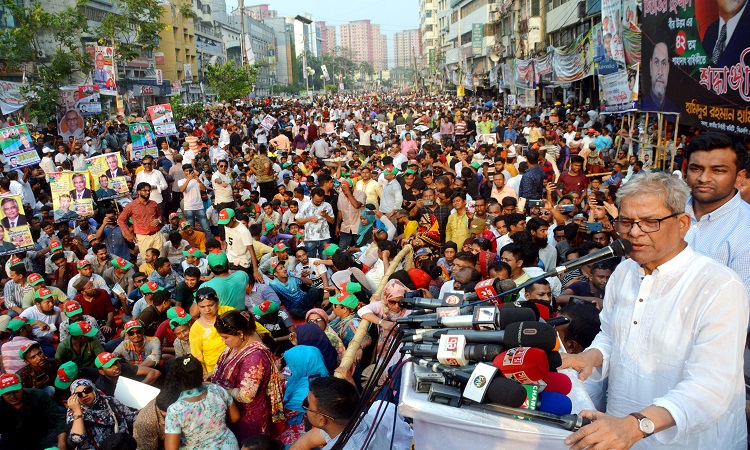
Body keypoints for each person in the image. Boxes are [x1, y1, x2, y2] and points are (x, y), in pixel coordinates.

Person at [561, 172, 748, 449]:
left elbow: (711, 386)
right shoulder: (624, 271)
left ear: (682, 223)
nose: (634, 232)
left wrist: (637, 425)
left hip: (690, 440)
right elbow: (612, 334)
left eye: (651, 222)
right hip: (619, 429)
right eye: (626, 221)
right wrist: (592, 356)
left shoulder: (719, 284)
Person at [683, 132, 750, 299]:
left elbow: (737, 305)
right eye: (696, 169)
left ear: (739, 177)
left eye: (718, 170)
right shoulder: (667, 211)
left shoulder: (746, 231)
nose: (704, 178)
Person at [212, 310, 284, 442]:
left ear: (240, 333)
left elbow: (246, 395)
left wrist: (219, 390)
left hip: (249, 419)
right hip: (234, 412)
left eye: (225, 337)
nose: (223, 341)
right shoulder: (236, 344)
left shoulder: (255, 357)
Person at [289, 376, 392, 450]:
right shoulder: (359, 418)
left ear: (322, 420)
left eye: (307, 405)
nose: (306, 408)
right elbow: (307, 440)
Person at [164, 355, 240, 450]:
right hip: (228, 445)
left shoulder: (175, 410)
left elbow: (171, 448)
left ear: (178, 381)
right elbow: (235, 417)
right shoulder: (217, 390)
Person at [277, 345, 329, 447]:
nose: (290, 366)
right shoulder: (307, 375)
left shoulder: (307, 389)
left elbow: (287, 413)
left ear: (302, 363)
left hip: (300, 422)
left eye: (292, 363)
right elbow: (288, 385)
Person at [0, 373, 68, 450]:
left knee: (68, 437)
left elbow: (58, 418)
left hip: (43, 436)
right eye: (7, 393)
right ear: (1, 394)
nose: (12, 396)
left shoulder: (38, 395)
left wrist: (62, 443)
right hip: (13, 443)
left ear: (22, 386)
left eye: (15, 391)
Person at [66, 378, 136, 450]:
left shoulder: (109, 401)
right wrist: (77, 411)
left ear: (93, 389)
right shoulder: (73, 412)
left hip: (122, 446)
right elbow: (77, 438)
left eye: (87, 390)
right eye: (79, 394)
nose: (84, 395)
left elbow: (132, 419)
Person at [118, 181, 164, 260]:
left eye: (149, 190)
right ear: (138, 192)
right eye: (145, 190)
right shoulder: (131, 206)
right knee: (147, 260)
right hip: (143, 237)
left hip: (157, 235)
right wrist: (128, 234)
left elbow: (160, 215)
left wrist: (158, 220)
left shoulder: (153, 203)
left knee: (160, 259)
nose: (147, 192)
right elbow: (120, 220)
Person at [190, 287, 229, 374]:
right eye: (202, 307)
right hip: (214, 371)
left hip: (237, 361)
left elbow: (250, 330)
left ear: (217, 302)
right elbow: (197, 356)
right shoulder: (196, 328)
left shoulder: (228, 313)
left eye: (210, 305)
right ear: (197, 306)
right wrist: (205, 376)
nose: (207, 310)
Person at [94, 351, 160, 397]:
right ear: (101, 371)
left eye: (116, 363)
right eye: (110, 366)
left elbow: (155, 372)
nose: (116, 367)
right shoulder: (101, 387)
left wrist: (139, 387)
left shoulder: (123, 367)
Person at [641, 41, 676, 112]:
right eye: (656, 62)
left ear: (668, 68)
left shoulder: (673, 110)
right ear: (651, 66)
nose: (660, 72)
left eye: (664, 63)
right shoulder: (642, 107)